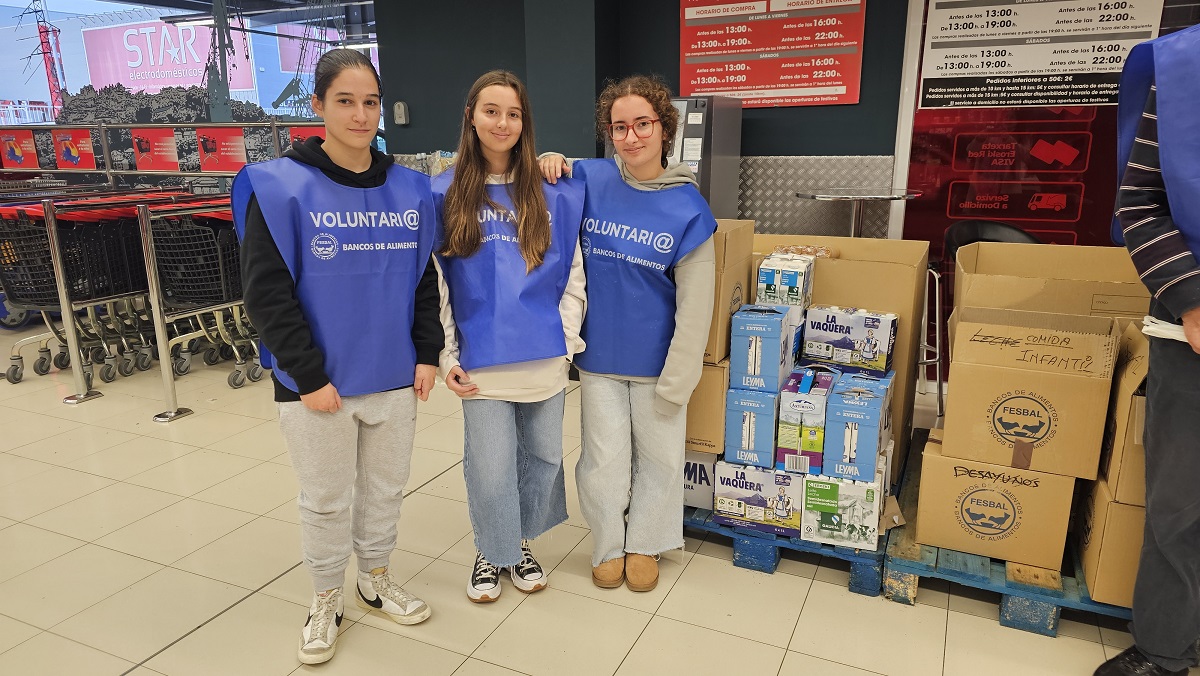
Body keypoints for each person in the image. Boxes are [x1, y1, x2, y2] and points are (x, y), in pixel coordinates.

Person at [232, 49, 439, 666]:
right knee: (325, 498)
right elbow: (265, 294)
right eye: (345, 101)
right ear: (317, 106)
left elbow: (422, 279)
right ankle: (326, 596)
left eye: (370, 102)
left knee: (385, 490)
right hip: (317, 384)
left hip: (395, 377)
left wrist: (426, 354)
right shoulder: (279, 188)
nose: (360, 114)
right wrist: (310, 375)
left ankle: (374, 577)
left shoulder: (409, 188)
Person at [540, 74, 717, 592]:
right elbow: (537, 178)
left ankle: (644, 543)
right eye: (619, 127)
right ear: (608, 133)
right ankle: (608, 543)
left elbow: (697, 303)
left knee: (660, 459)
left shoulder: (689, 208)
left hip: (659, 362)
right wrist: (549, 159)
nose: (631, 136)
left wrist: (681, 375)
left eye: (643, 124)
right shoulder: (591, 179)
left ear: (665, 129)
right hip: (599, 359)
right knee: (603, 459)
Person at [433, 70, 586, 603]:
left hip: (543, 356)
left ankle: (517, 543)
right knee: (492, 466)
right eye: (491, 110)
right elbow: (439, 284)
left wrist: (566, 343)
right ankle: (490, 551)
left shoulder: (553, 191)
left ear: (525, 122)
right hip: (480, 361)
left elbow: (572, 273)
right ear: (471, 117)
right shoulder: (446, 193)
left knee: (543, 457)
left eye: (513, 113)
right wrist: (445, 352)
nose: (502, 122)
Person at [1098, 23, 1200, 676]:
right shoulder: (1184, 69)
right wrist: (1191, 300)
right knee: (1179, 503)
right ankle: (1166, 652)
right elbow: (1140, 201)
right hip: (1191, 332)